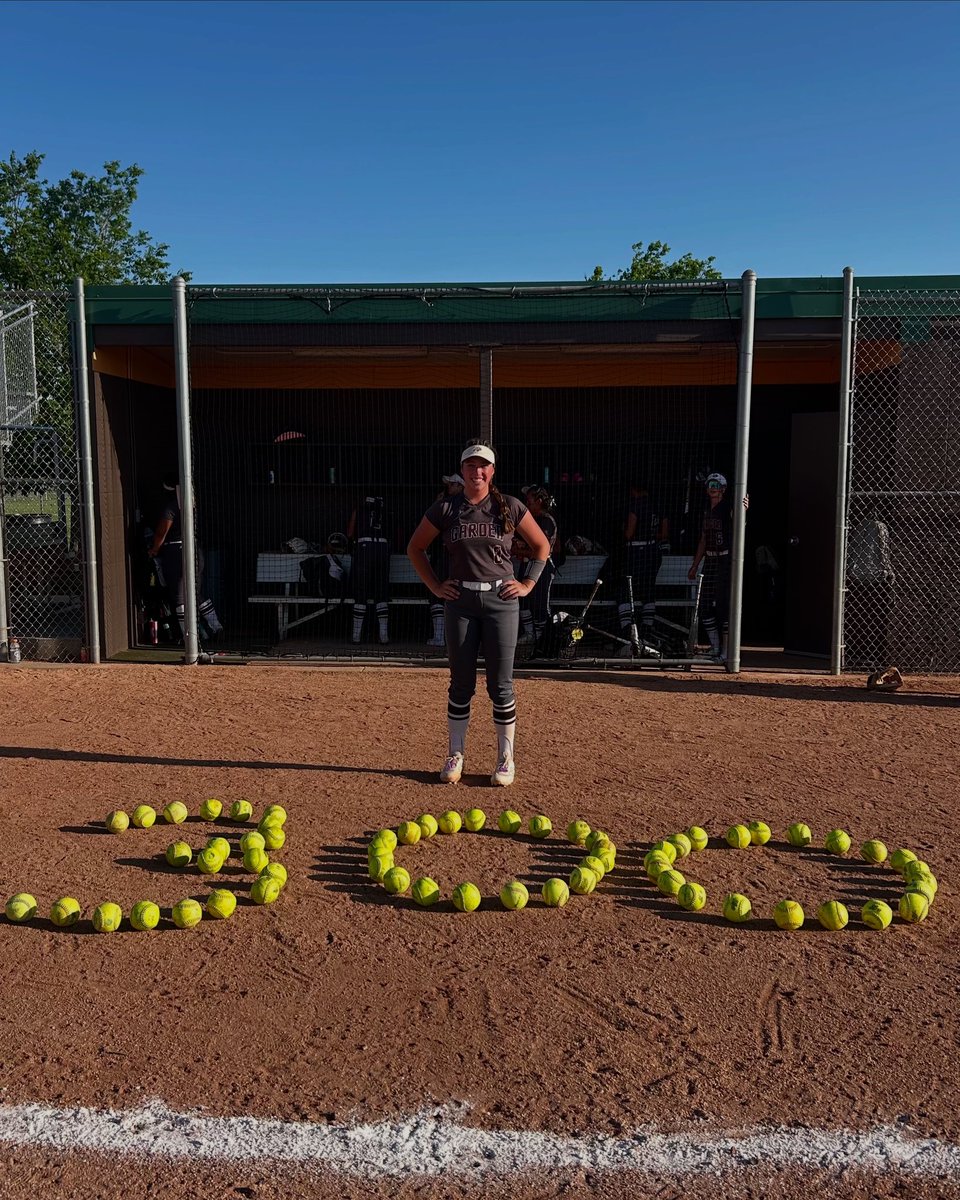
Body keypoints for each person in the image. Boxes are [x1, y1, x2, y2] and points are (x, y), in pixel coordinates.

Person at [407, 440, 551, 787]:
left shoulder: (510, 507)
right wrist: (436, 587)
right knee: (460, 684)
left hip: (502, 601)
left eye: (483, 466)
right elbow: (415, 548)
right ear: (463, 470)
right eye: (471, 466)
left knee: (500, 686)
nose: (477, 471)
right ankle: (455, 753)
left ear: (492, 471)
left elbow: (542, 545)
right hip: (461, 604)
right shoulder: (446, 508)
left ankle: (505, 758)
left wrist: (528, 583)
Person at [147, 473, 223, 643]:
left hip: (177, 552)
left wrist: (154, 549)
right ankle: (216, 626)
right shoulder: (192, 505)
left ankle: (189, 637)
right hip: (196, 551)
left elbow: (161, 532)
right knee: (195, 593)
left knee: (180, 596)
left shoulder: (173, 506)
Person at [687, 472, 748, 662]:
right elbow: (703, 539)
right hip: (710, 561)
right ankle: (715, 647)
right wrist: (695, 566)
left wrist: (744, 511)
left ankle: (727, 652)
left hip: (725, 560)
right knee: (704, 605)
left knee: (724, 606)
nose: (712, 487)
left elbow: (739, 524)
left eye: (716, 484)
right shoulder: (706, 511)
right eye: (710, 484)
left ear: (723, 488)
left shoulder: (728, 508)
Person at [619, 482, 669, 641]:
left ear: (634, 490)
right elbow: (664, 533)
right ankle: (647, 628)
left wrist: (622, 529)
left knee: (627, 590)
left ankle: (627, 630)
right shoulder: (657, 505)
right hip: (654, 551)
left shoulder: (636, 506)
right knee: (648, 590)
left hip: (637, 551)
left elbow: (629, 533)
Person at [514, 486, 558, 646]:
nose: (527, 503)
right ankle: (530, 634)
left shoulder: (546, 520)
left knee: (540, 603)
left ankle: (542, 638)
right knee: (522, 600)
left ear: (539, 501)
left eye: (529, 500)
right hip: (525, 564)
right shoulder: (529, 519)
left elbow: (539, 548)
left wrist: (519, 549)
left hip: (542, 566)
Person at [347, 495, 390, 645]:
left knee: (361, 591)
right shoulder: (384, 509)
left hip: (364, 548)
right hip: (382, 549)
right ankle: (384, 635)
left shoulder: (360, 508)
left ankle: (356, 635)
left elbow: (350, 533)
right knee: (381, 592)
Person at [427, 473, 464, 647]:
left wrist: (438, 504)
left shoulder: (452, 506)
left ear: (460, 486)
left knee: (450, 594)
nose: (448, 487)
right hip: (448, 555)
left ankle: (444, 636)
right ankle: (440, 635)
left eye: (452, 484)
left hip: (450, 556)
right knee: (440, 593)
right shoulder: (450, 504)